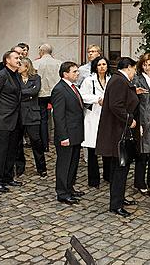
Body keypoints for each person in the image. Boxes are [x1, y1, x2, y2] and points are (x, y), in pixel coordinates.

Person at [96, 56, 141, 217]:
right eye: (134, 69)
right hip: (116, 133)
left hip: (119, 132)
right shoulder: (118, 81)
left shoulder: (120, 81)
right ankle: (116, 204)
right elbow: (116, 105)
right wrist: (129, 120)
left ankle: (119, 198)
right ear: (128, 67)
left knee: (121, 168)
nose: (135, 72)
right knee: (119, 169)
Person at [0, 50, 23, 193]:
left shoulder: (16, 75)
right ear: (7, 60)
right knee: (0, 152)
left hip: (15, 119)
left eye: (20, 57)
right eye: (16, 57)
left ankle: (8, 177)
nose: (19, 59)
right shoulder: (1, 76)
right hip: (2, 119)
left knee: (11, 151)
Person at [51, 61, 86, 204]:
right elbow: (58, 116)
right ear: (65, 74)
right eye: (74, 72)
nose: (77, 74)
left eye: (77, 71)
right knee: (64, 164)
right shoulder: (59, 89)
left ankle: (70, 187)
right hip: (66, 135)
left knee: (73, 163)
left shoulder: (72, 87)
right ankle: (62, 192)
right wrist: (63, 136)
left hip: (76, 133)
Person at [132, 53, 150, 195]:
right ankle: (139, 182)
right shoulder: (137, 79)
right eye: (145, 64)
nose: (147, 67)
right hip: (144, 118)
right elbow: (134, 102)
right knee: (143, 153)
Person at [80, 55, 111, 188]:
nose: (102, 67)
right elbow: (83, 96)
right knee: (92, 150)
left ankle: (108, 175)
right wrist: (97, 99)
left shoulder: (111, 80)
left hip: (107, 117)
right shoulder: (89, 80)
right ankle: (93, 180)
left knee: (107, 148)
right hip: (93, 116)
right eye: (99, 65)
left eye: (104, 64)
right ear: (95, 67)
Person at [17, 57, 46, 177]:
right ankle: (19, 167)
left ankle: (41, 167)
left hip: (32, 114)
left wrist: (21, 92)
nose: (18, 67)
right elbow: (13, 91)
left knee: (36, 141)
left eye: (20, 65)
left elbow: (35, 91)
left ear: (26, 67)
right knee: (17, 142)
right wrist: (27, 91)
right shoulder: (16, 78)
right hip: (18, 114)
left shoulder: (36, 78)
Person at [35, 43, 62, 151]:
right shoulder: (59, 63)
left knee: (43, 119)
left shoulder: (36, 63)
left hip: (41, 94)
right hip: (56, 93)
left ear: (41, 52)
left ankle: (44, 144)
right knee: (59, 117)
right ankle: (59, 141)